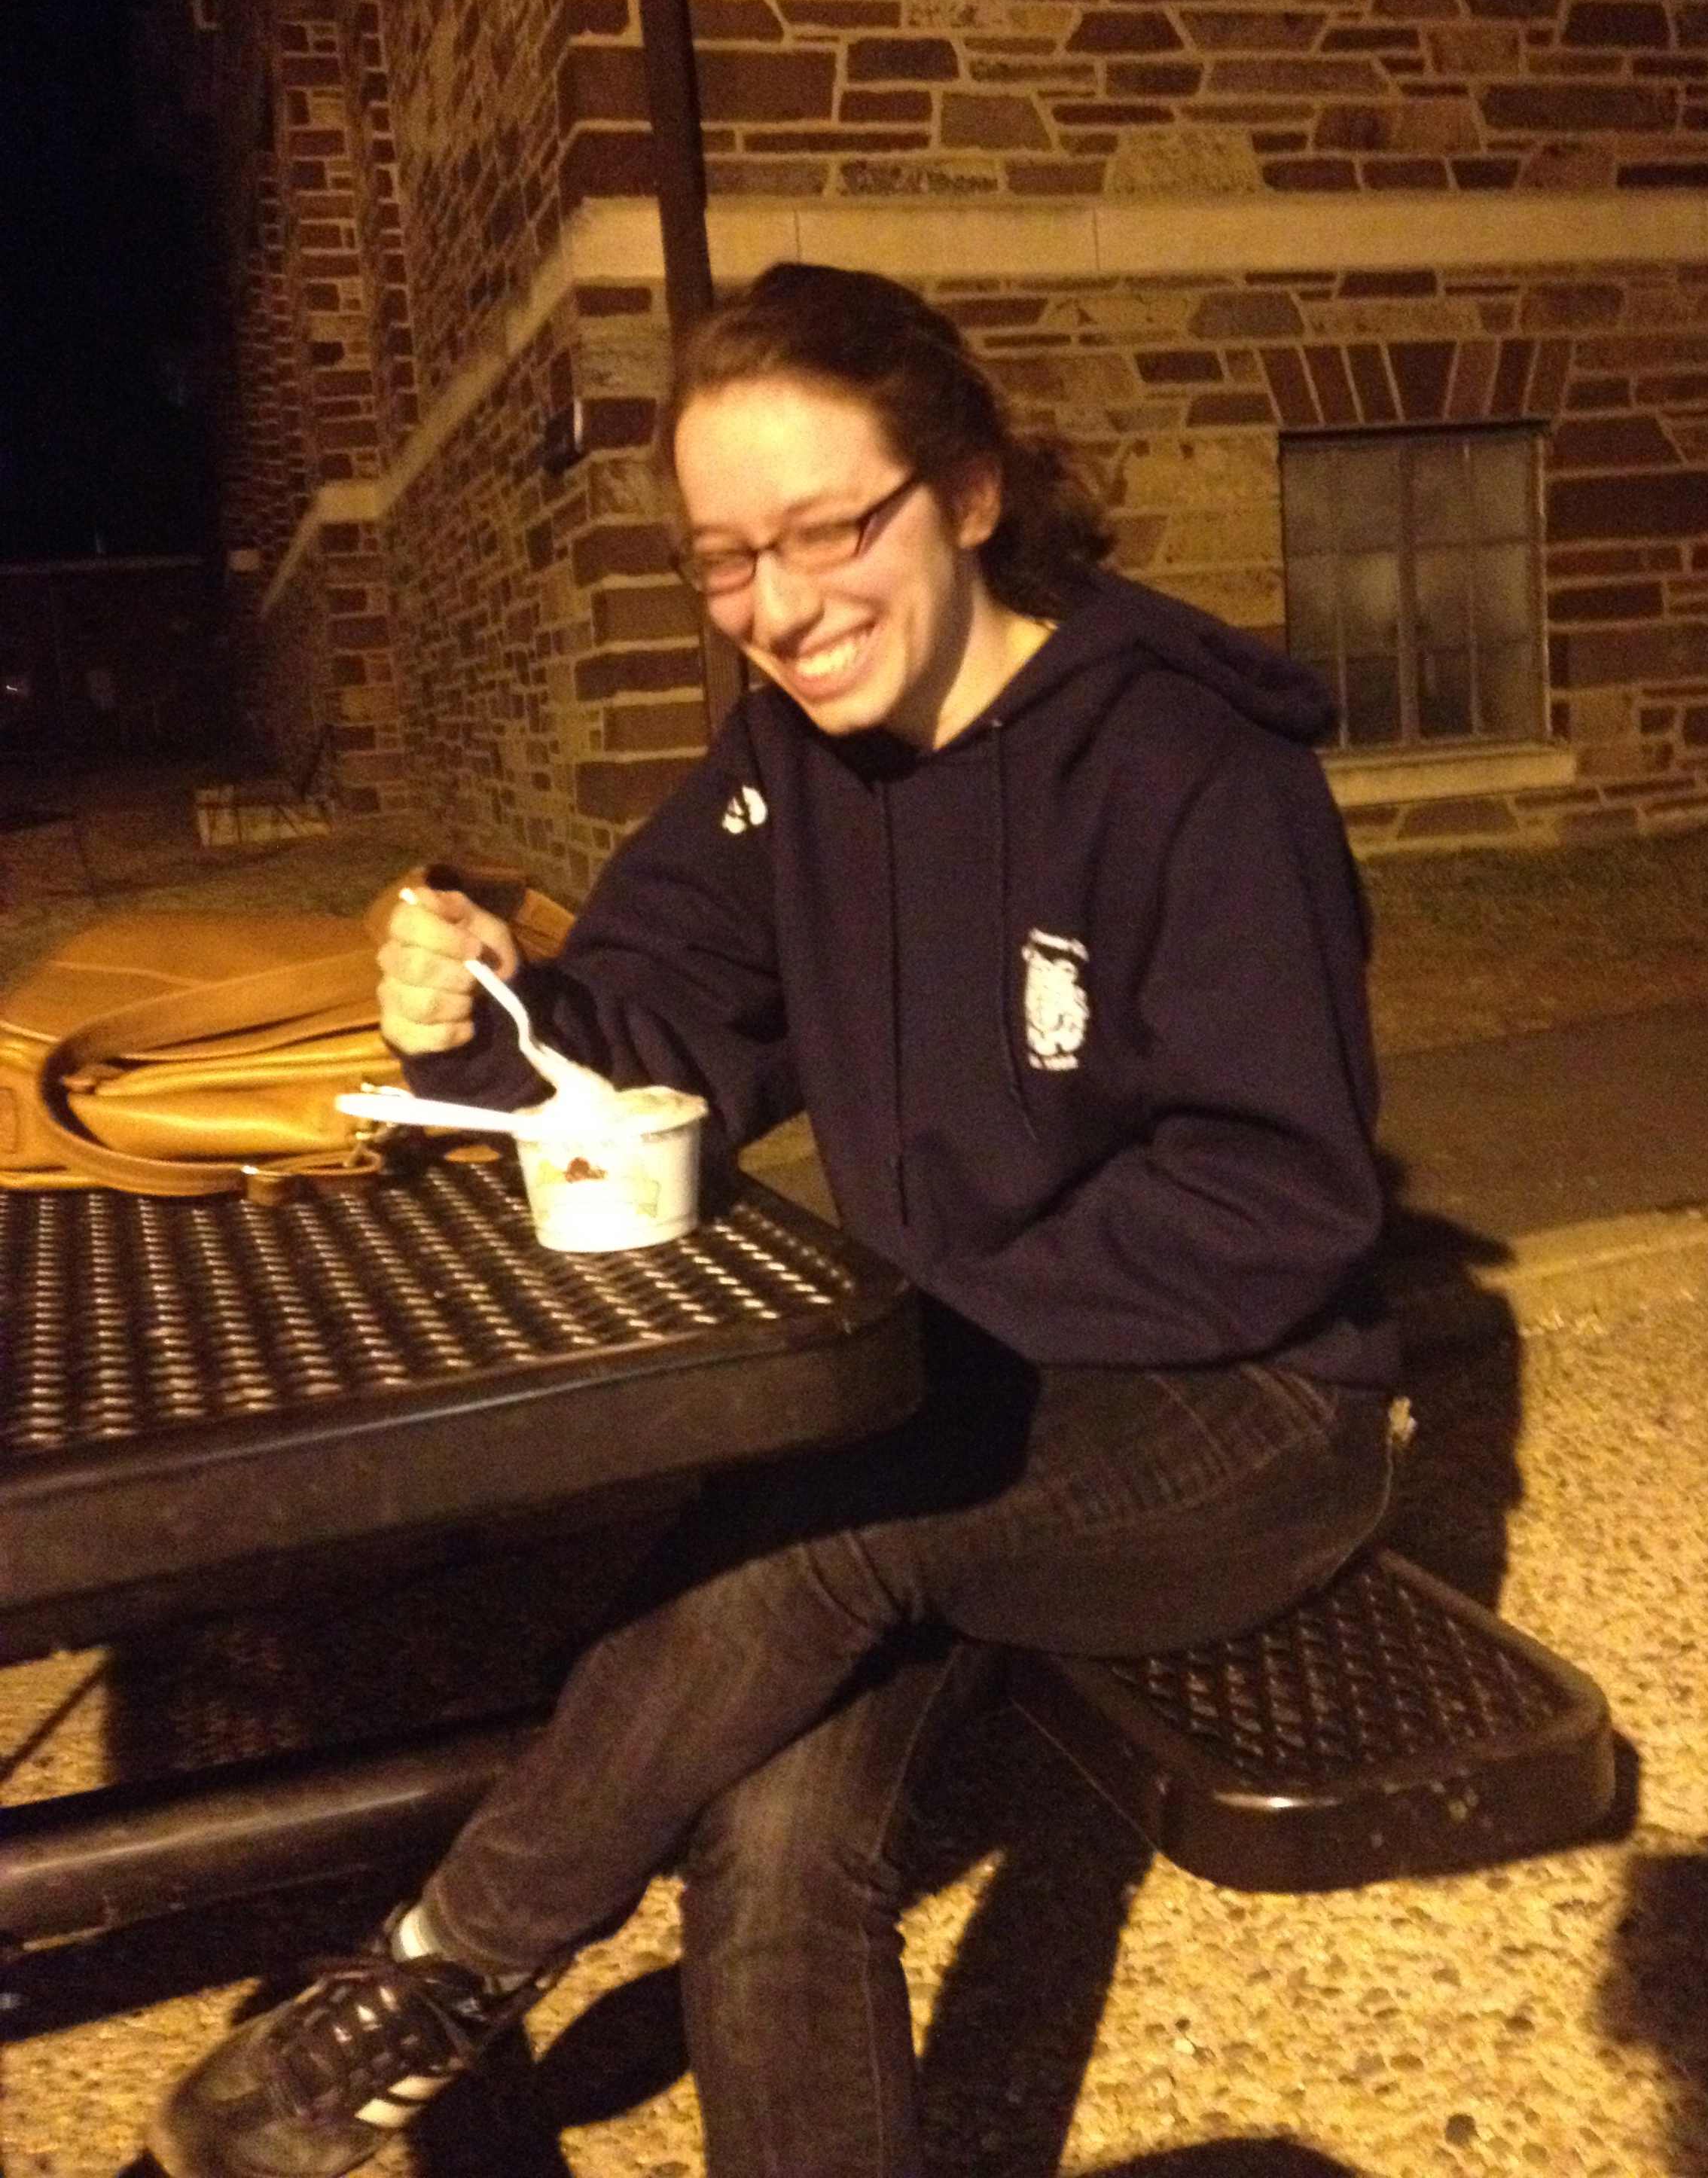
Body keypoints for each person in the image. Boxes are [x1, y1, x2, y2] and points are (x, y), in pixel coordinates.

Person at [150, 263, 1401, 2178]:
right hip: (956, 1402)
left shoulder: (1186, 768)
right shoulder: (785, 774)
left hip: (1242, 1415)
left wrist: (913, 1334)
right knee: (768, 1820)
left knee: (808, 1528)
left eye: (830, 531)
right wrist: (492, 1002)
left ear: (970, 493)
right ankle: (462, 1987)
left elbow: (1276, 1204)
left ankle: (441, 1966)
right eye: (730, 561)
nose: (785, 609)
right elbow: (647, 1032)